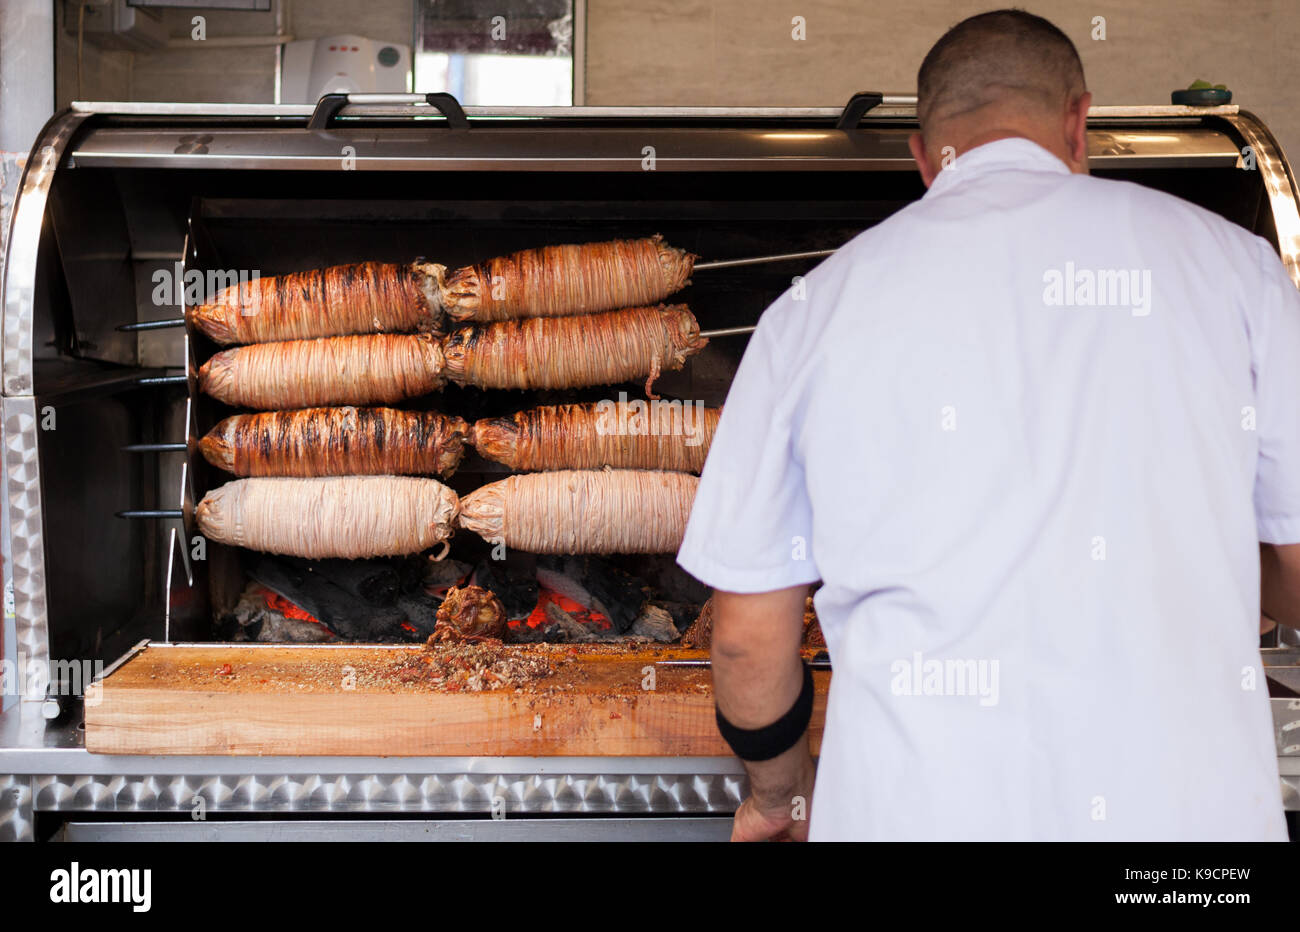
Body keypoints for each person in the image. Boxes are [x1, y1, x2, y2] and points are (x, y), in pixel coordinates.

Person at [676, 8, 1298, 841]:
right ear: (1078, 122)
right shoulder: (1238, 269)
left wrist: (778, 794)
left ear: (925, 157)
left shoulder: (814, 310)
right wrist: (1194, 558)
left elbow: (750, 639)